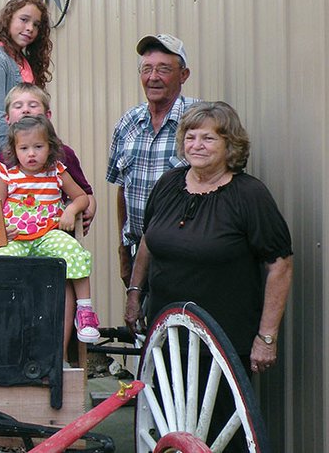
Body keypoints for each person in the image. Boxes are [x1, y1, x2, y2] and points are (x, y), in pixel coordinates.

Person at [124, 101, 293, 452]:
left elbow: (280, 265)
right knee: (170, 429)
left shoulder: (249, 196)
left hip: (222, 344)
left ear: (230, 145)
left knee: (220, 431)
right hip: (167, 337)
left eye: (208, 138)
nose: (196, 144)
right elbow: (148, 243)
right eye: (190, 135)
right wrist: (134, 293)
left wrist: (267, 337)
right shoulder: (169, 184)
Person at [0, 83, 97, 357]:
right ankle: (1, 321)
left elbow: (82, 196)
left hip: (49, 233)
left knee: (72, 253)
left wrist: (72, 211)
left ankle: (84, 313)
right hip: (17, 237)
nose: (32, 153)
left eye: (38, 147)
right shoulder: (4, 169)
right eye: (25, 148)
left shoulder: (59, 166)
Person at [106, 33, 198, 287]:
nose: (153, 77)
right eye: (147, 69)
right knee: (143, 323)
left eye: (164, 69)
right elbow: (122, 190)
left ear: (184, 75)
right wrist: (123, 252)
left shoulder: (199, 122)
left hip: (185, 255)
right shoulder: (128, 123)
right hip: (138, 253)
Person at [0, 83, 96, 234]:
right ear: (7, 118)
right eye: (18, 106)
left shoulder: (63, 156)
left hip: (54, 231)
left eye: (33, 105)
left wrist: (83, 214)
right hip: (15, 234)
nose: (25, 110)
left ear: (47, 116)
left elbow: (85, 194)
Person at [0, 0, 53, 159]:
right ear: (8, 20)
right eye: (24, 20)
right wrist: (13, 155)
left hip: (31, 155)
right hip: (9, 157)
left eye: (36, 25)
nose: (30, 28)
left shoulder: (24, 60)